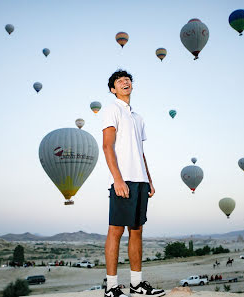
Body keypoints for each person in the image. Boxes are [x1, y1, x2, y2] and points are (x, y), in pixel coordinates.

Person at [102, 70, 165, 297]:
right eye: (119, 81)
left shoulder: (138, 118)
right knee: (116, 231)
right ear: (113, 89)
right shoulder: (112, 109)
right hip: (123, 179)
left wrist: (149, 179)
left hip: (140, 180)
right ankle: (111, 288)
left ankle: (136, 285)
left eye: (127, 80)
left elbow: (141, 152)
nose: (125, 82)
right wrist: (117, 179)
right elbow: (107, 146)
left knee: (136, 231)